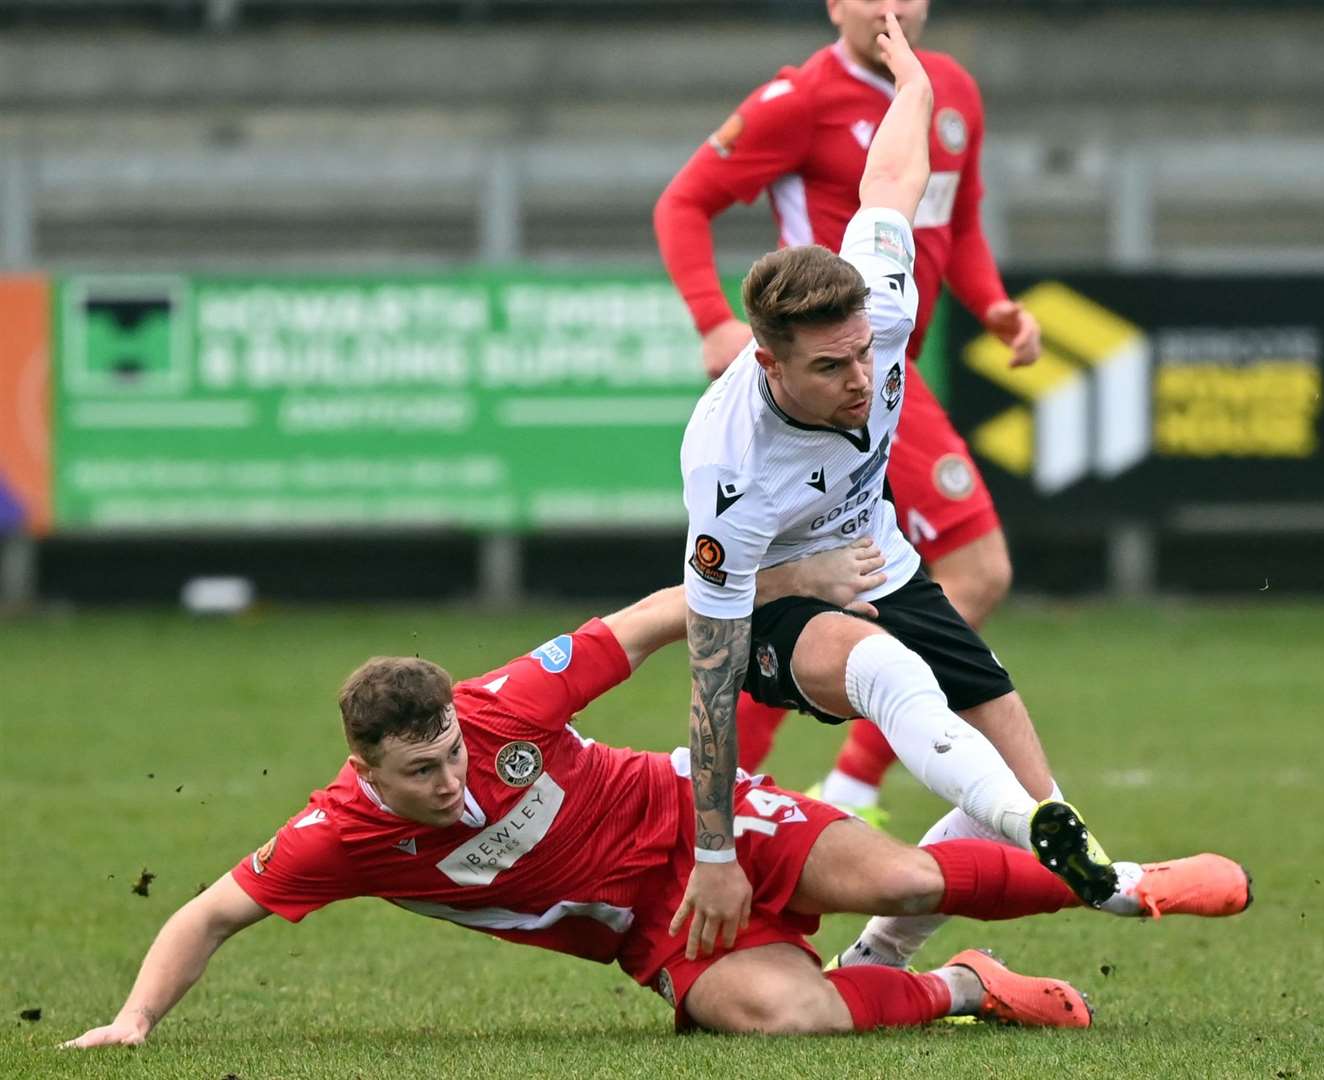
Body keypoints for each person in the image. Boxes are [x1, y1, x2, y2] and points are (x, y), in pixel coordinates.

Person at [60, 552, 1243, 1048]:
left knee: (902, 877)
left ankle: (1124, 885)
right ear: (367, 771)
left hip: (694, 816)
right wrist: (134, 1023)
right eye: (424, 773)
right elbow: (208, 911)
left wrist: (787, 577)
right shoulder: (343, 834)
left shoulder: (506, 704)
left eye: (458, 751)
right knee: (792, 1020)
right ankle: (962, 985)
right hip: (652, 933)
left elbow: (662, 612)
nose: (456, 776)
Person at [671, 13, 1250, 970]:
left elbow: (891, 180)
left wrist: (913, 87)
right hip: (781, 617)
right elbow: (707, 653)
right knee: (899, 682)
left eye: (866, 352)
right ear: (768, 361)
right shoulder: (728, 459)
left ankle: (879, 962)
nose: (862, 379)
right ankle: (1110, 883)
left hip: (881, 565)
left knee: (1016, 780)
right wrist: (714, 850)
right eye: (830, 367)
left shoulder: (879, 303)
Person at [656, 0, 1037, 814]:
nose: (894, 7)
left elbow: (955, 224)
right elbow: (680, 205)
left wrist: (994, 305)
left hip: (886, 361)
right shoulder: (796, 101)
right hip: (839, 381)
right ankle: (847, 783)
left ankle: (767, 783)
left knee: (819, 593)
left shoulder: (952, 94)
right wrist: (713, 318)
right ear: (834, 4)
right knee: (974, 569)